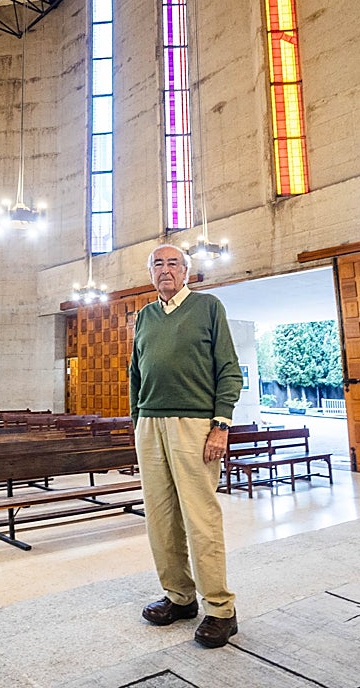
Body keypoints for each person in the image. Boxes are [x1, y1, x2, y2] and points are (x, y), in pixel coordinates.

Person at [128, 243, 243, 648]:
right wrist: (137, 422)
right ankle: (179, 597)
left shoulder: (207, 306)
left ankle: (220, 609)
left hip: (194, 423)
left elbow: (229, 369)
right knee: (159, 517)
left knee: (200, 517)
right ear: (150, 273)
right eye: (157, 264)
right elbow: (135, 375)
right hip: (150, 423)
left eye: (173, 263)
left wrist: (221, 425)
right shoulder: (144, 316)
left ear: (187, 271)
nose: (165, 269)